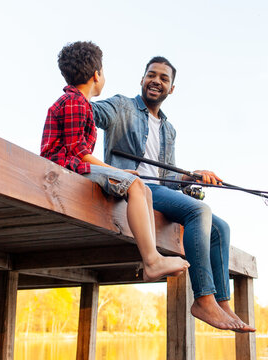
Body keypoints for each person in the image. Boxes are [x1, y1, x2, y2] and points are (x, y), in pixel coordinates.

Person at [92, 56, 256, 332]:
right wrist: (82, 89)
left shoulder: (169, 130)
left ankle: (222, 302)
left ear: (172, 88)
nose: (156, 81)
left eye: (164, 78)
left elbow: (166, 181)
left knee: (221, 229)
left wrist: (189, 177)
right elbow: (90, 113)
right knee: (199, 210)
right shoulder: (121, 106)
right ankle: (203, 299)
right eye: (151, 75)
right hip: (132, 188)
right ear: (142, 80)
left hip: (158, 190)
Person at [40, 42, 189, 282]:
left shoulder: (77, 102)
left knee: (143, 191)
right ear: (97, 75)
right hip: (66, 168)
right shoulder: (76, 102)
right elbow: (78, 153)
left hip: (74, 164)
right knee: (135, 184)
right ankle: (152, 261)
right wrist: (116, 171)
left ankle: (152, 257)